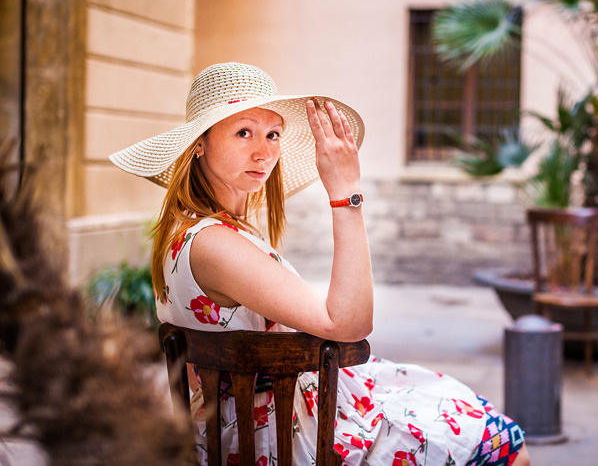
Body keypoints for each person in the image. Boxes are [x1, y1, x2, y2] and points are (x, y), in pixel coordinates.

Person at [110, 62, 530, 466]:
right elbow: (348, 322)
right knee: (503, 443)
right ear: (199, 143)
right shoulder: (213, 243)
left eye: (273, 134)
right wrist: (346, 193)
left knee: (455, 403)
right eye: (244, 132)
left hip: (283, 411)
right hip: (278, 435)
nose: (264, 151)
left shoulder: (213, 229)